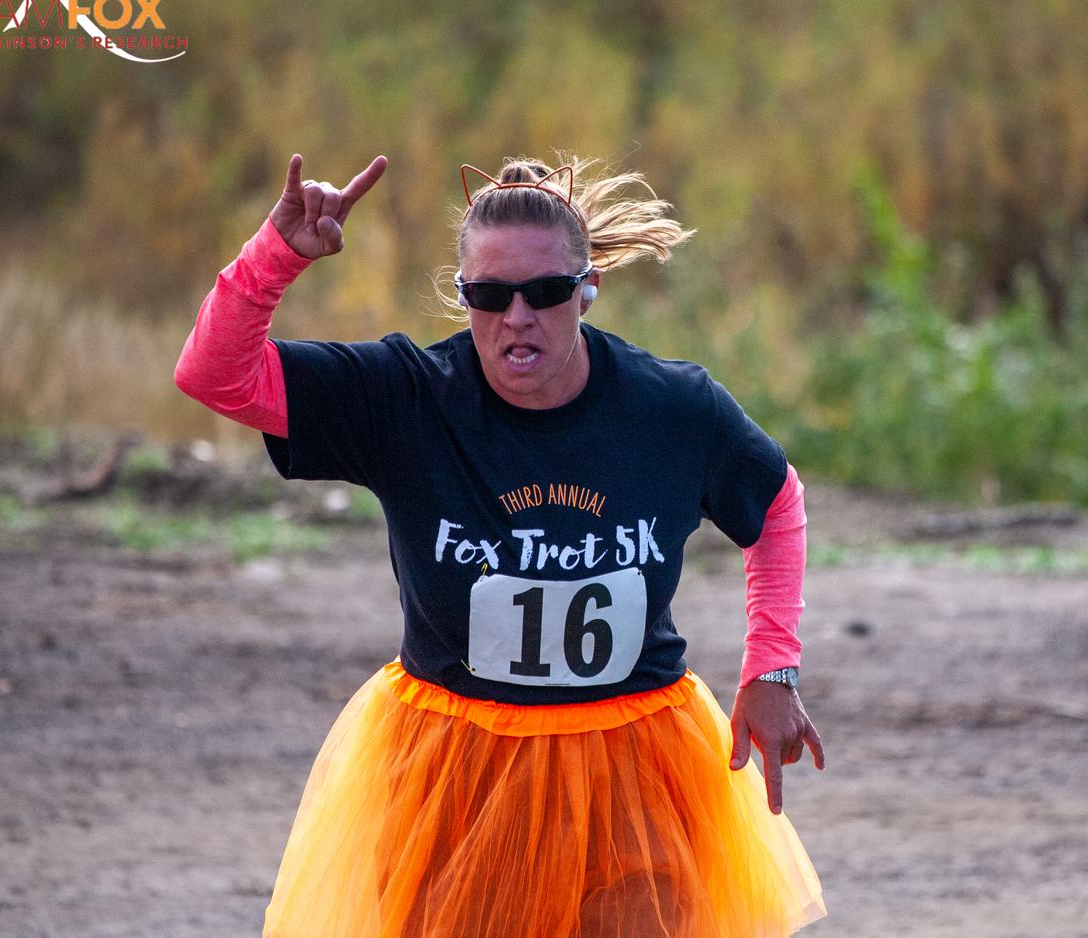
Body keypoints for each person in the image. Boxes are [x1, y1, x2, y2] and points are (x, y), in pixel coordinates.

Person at [173, 150, 828, 937]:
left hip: (636, 764)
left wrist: (773, 667)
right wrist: (275, 256)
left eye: (546, 292)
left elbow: (778, 501)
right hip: (456, 769)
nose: (517, 317)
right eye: (489, 294)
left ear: (587, 290)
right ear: (464, 297)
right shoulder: (406, 398)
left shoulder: (673, 409)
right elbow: (214, 376)